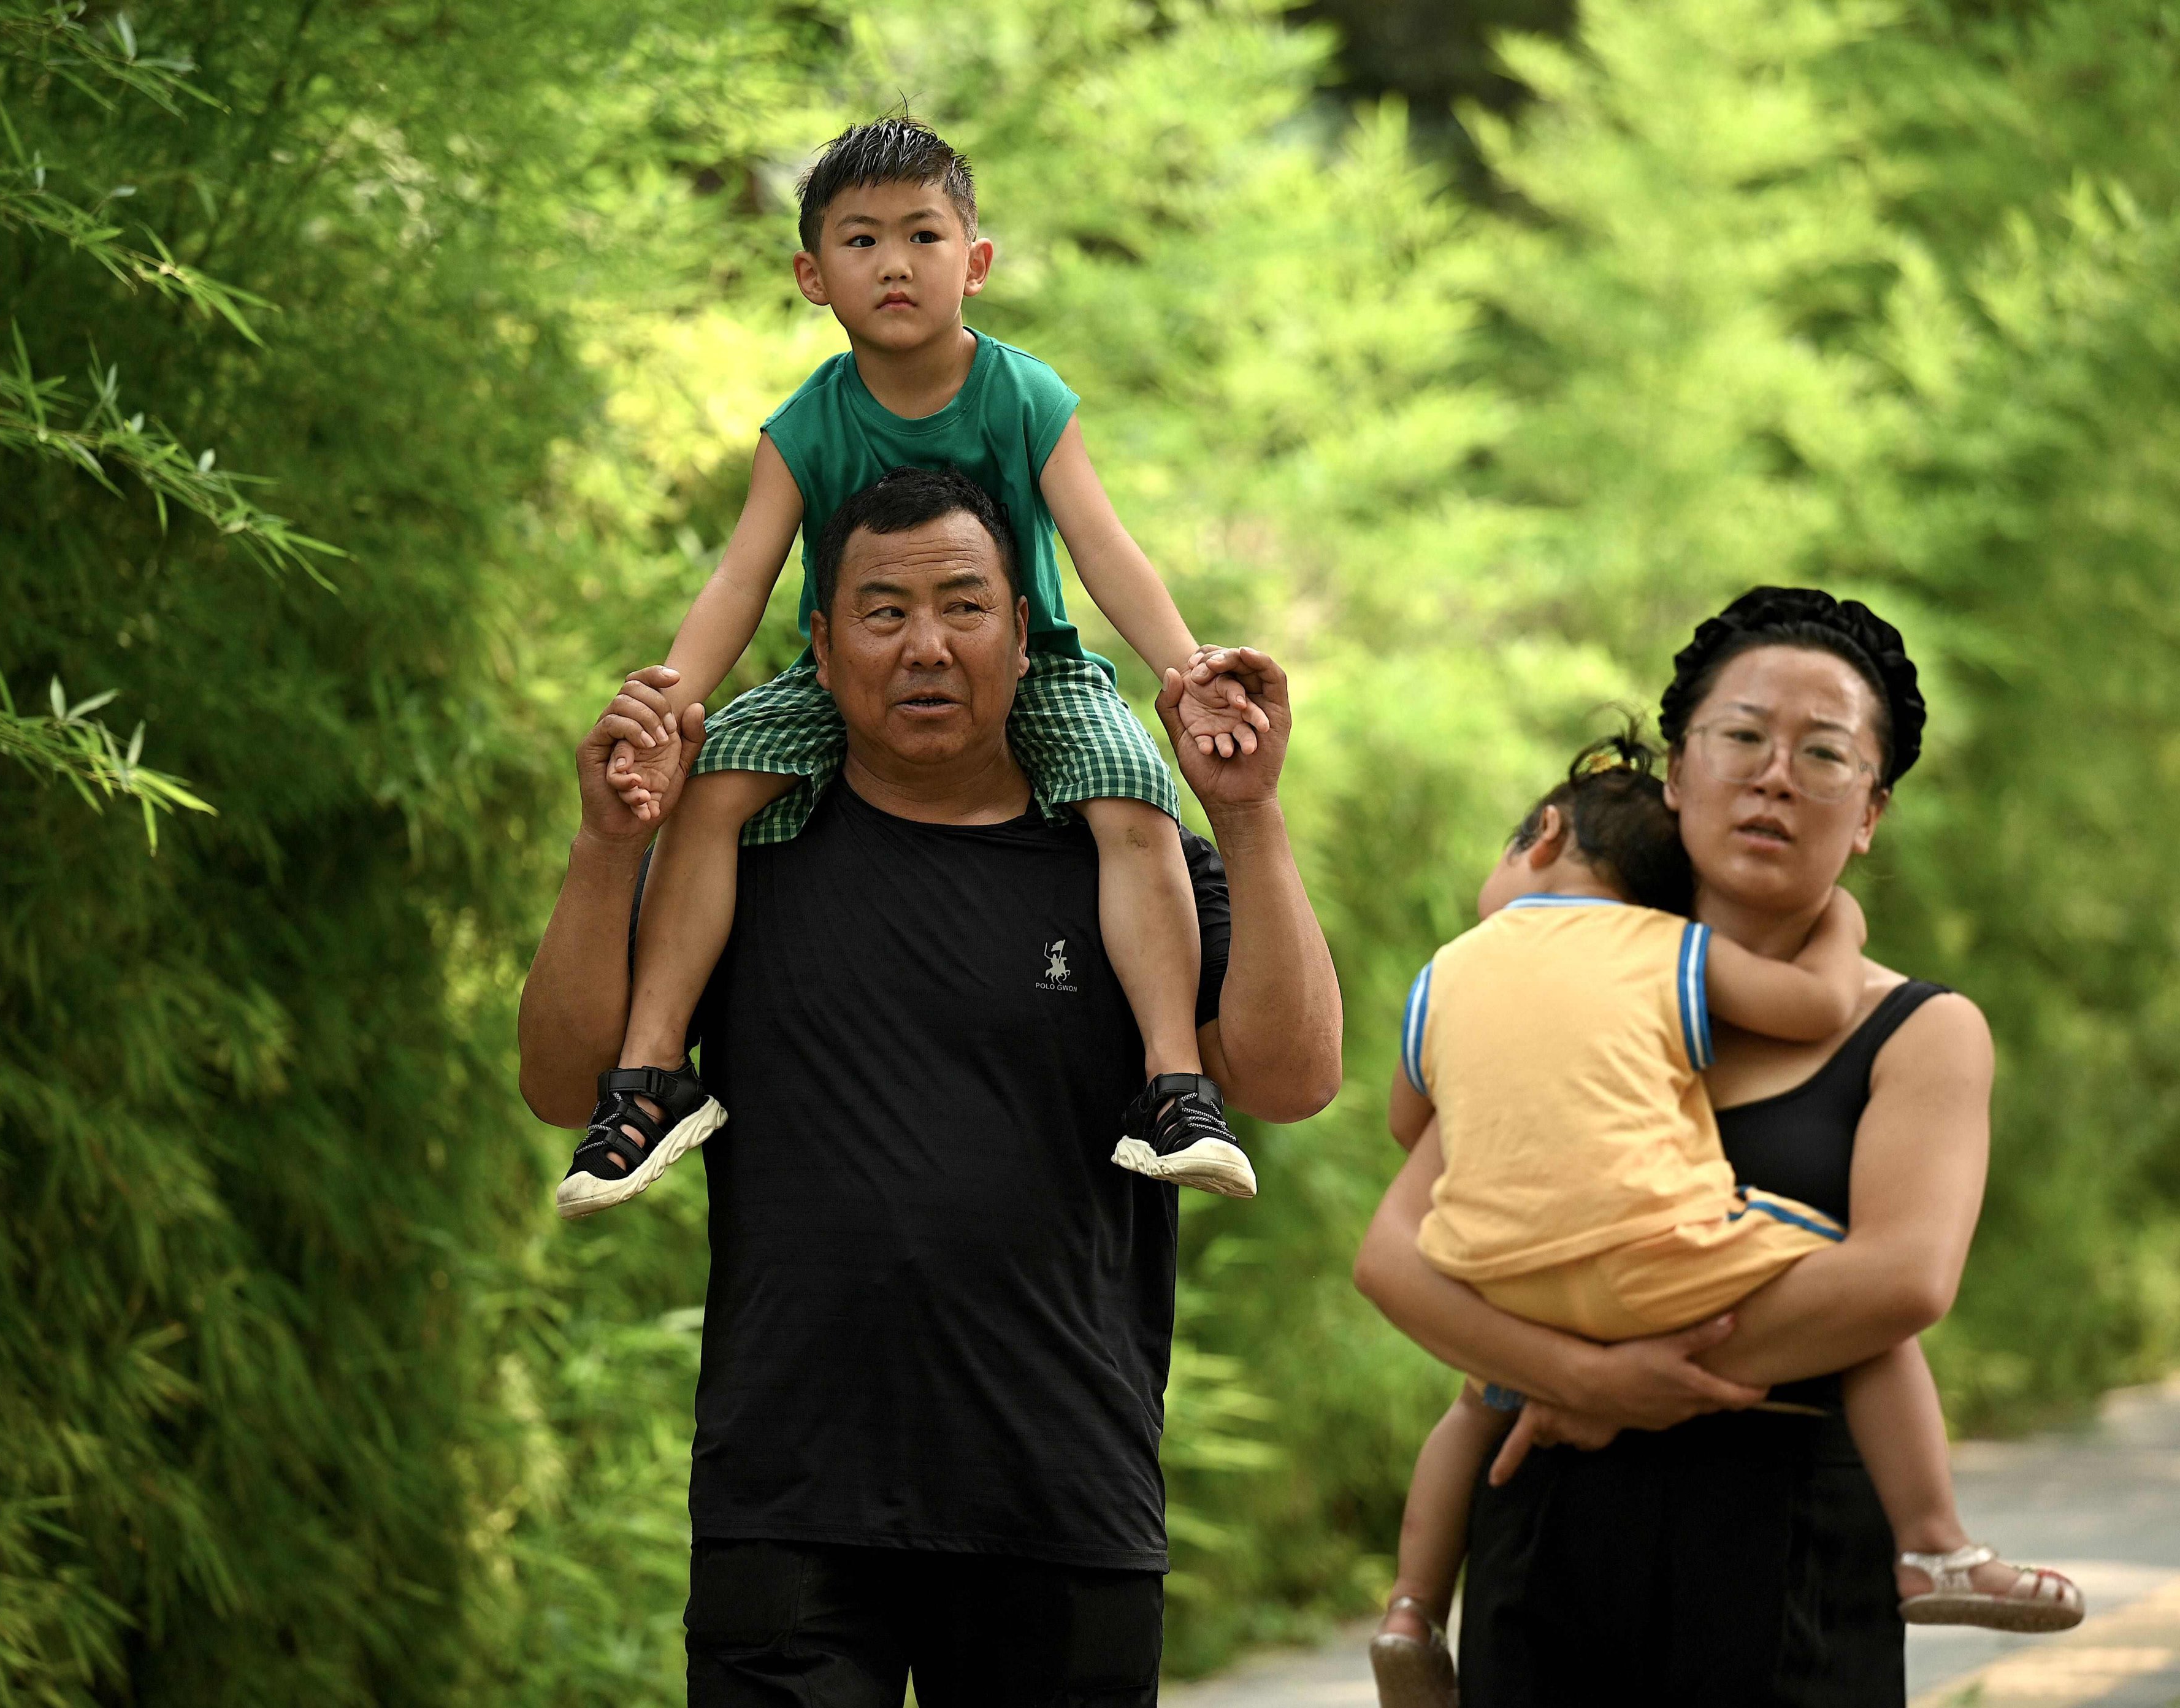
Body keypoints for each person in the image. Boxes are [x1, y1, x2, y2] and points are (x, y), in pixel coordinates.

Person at [517, 469, 1342, 1704]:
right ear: (820, 643)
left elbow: (1288, 1075)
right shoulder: (748, 853)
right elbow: (559, 1081)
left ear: (1022, 631)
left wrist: (1250, 820)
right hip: (786, 1497)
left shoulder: (1129, 862)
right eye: (882, 610)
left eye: (962, 605)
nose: (924, 646)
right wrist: (606, 847)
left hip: (1061, 1492)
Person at [1355, 588, 2086, 1706]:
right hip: (1551, 1527)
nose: (1777, 775)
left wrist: (1642, 1376)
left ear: (1872, 811)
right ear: (1679, 773)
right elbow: (1397, 1253)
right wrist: (1590, 1378)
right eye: (1742, 737)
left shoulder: (1920, 1031)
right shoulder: (1564, 1001)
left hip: (1793, 1537)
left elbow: (1903, 1275)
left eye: (1825, 754)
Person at [554, 113, 1271, 1220]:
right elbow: (741, 579)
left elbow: (1100, 544)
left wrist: (1186, 669)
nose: (895, 264)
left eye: (924, 237)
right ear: (810, 274)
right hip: (841, 678)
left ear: (975, 263)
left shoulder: (1025, 397)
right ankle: (651, 1078)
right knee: (708, 791)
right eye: (861, 240)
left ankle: (1175, 1085)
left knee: (1136, 794)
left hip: (1036, 669)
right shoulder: (804, 426)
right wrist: (673, 700)